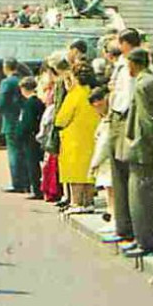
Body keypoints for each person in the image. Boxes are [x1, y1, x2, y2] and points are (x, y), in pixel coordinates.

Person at [119, 47, 153, 258]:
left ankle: (146, 241)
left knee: (140, 198)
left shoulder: (143, 84)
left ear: (133, 63)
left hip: (142, 149)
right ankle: (144, 239)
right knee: (142, 196)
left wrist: (143, 144)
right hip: (147, 146)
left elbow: (146, 120)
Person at [104, 28, 140, 248]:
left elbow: (129, 97)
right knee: (118, 175)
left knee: (126, 175)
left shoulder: (132, 65)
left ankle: (128, 227)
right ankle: (122, 225)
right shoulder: (122, 64)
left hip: (125, 117)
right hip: (117, 117)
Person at [55, 63, 99, 214]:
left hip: (75, 138)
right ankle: (88, 201)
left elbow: (60, 119)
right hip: (93, 137)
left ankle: (76, 202)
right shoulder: (95, 93)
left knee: (75, 171)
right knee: (89, 171)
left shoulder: (74, 94)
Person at [0, 60, 25, 191]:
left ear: (5, 68)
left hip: (10, 120)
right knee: (23, 152)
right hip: (23, 119)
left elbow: (1, 103)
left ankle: (16, 182)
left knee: (13, 153)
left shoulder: (6, 82)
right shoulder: (22, 80)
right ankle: (26, 181)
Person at [17, 77, 45, 199]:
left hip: (30, 137)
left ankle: (36, 189)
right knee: (37, 163)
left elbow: (26, 122)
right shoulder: (38, 102)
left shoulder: (29, 103)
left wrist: (19, 133)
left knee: (32, 164)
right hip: (38, 135)